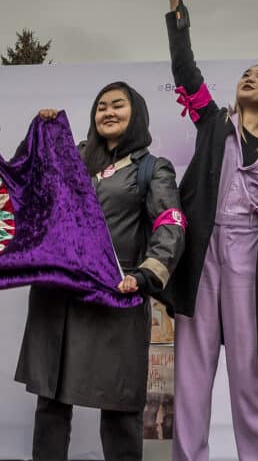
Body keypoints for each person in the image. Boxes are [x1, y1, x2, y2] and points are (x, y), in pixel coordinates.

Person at [160, 0, 258, 461]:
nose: (250, 78)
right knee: (193, 374)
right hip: (203, 253)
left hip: (252, 258)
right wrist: (177, 6)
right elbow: (186, 72)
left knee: (253, 372)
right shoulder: (213, 122)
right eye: (246, 74)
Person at [15, 82, 185, 461]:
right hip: (58, 295)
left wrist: (142, 277)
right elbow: (23, 183)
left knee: (121, 409)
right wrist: (37, 135)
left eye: (118, 105)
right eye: (101, 106)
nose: (108, 112)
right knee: (51, 406)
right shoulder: (72, 158)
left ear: (136, 113)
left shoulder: (152, 169)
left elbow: (170, 226)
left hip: (116, 294)